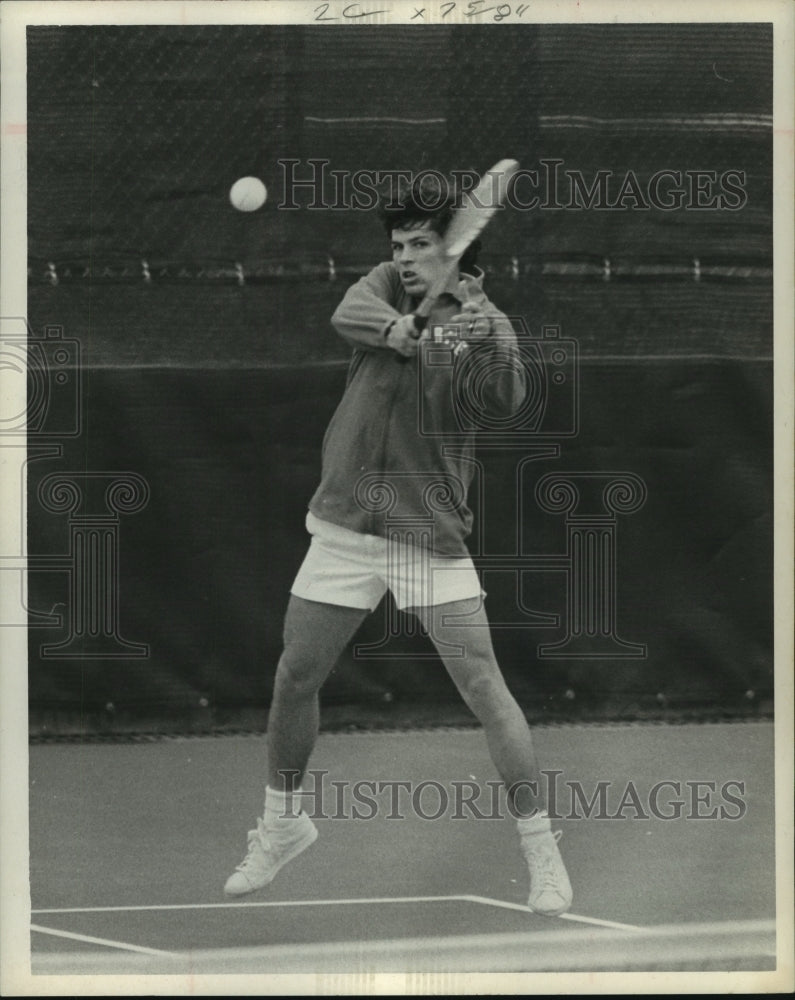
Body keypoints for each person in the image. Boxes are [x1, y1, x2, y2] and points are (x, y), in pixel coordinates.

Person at [224, 175, 572, 916]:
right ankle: (283, 825)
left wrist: (484, 339)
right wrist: (398, 331)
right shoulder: (385, 287)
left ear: (460, 255)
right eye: (398, 244)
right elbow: (348, 312)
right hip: (346, 525)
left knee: (485, 691)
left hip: (426, 535)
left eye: (422, 245)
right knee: (295, 676)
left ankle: (541, 849)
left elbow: (506, 401)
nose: (405, 257)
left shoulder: (486, 321)